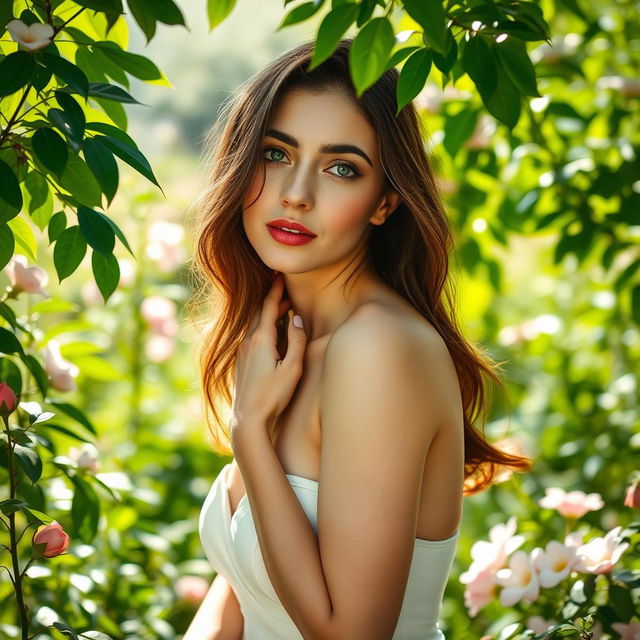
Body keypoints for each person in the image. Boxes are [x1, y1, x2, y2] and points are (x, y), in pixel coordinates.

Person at [184, 37, 532, 640]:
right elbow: (240, 593)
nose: (297, 192)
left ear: (384, 203)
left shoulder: (380, 350)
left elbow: (352, 634)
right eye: (275, 153)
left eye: (341, 168)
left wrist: (250, 436)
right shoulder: (283, 337)